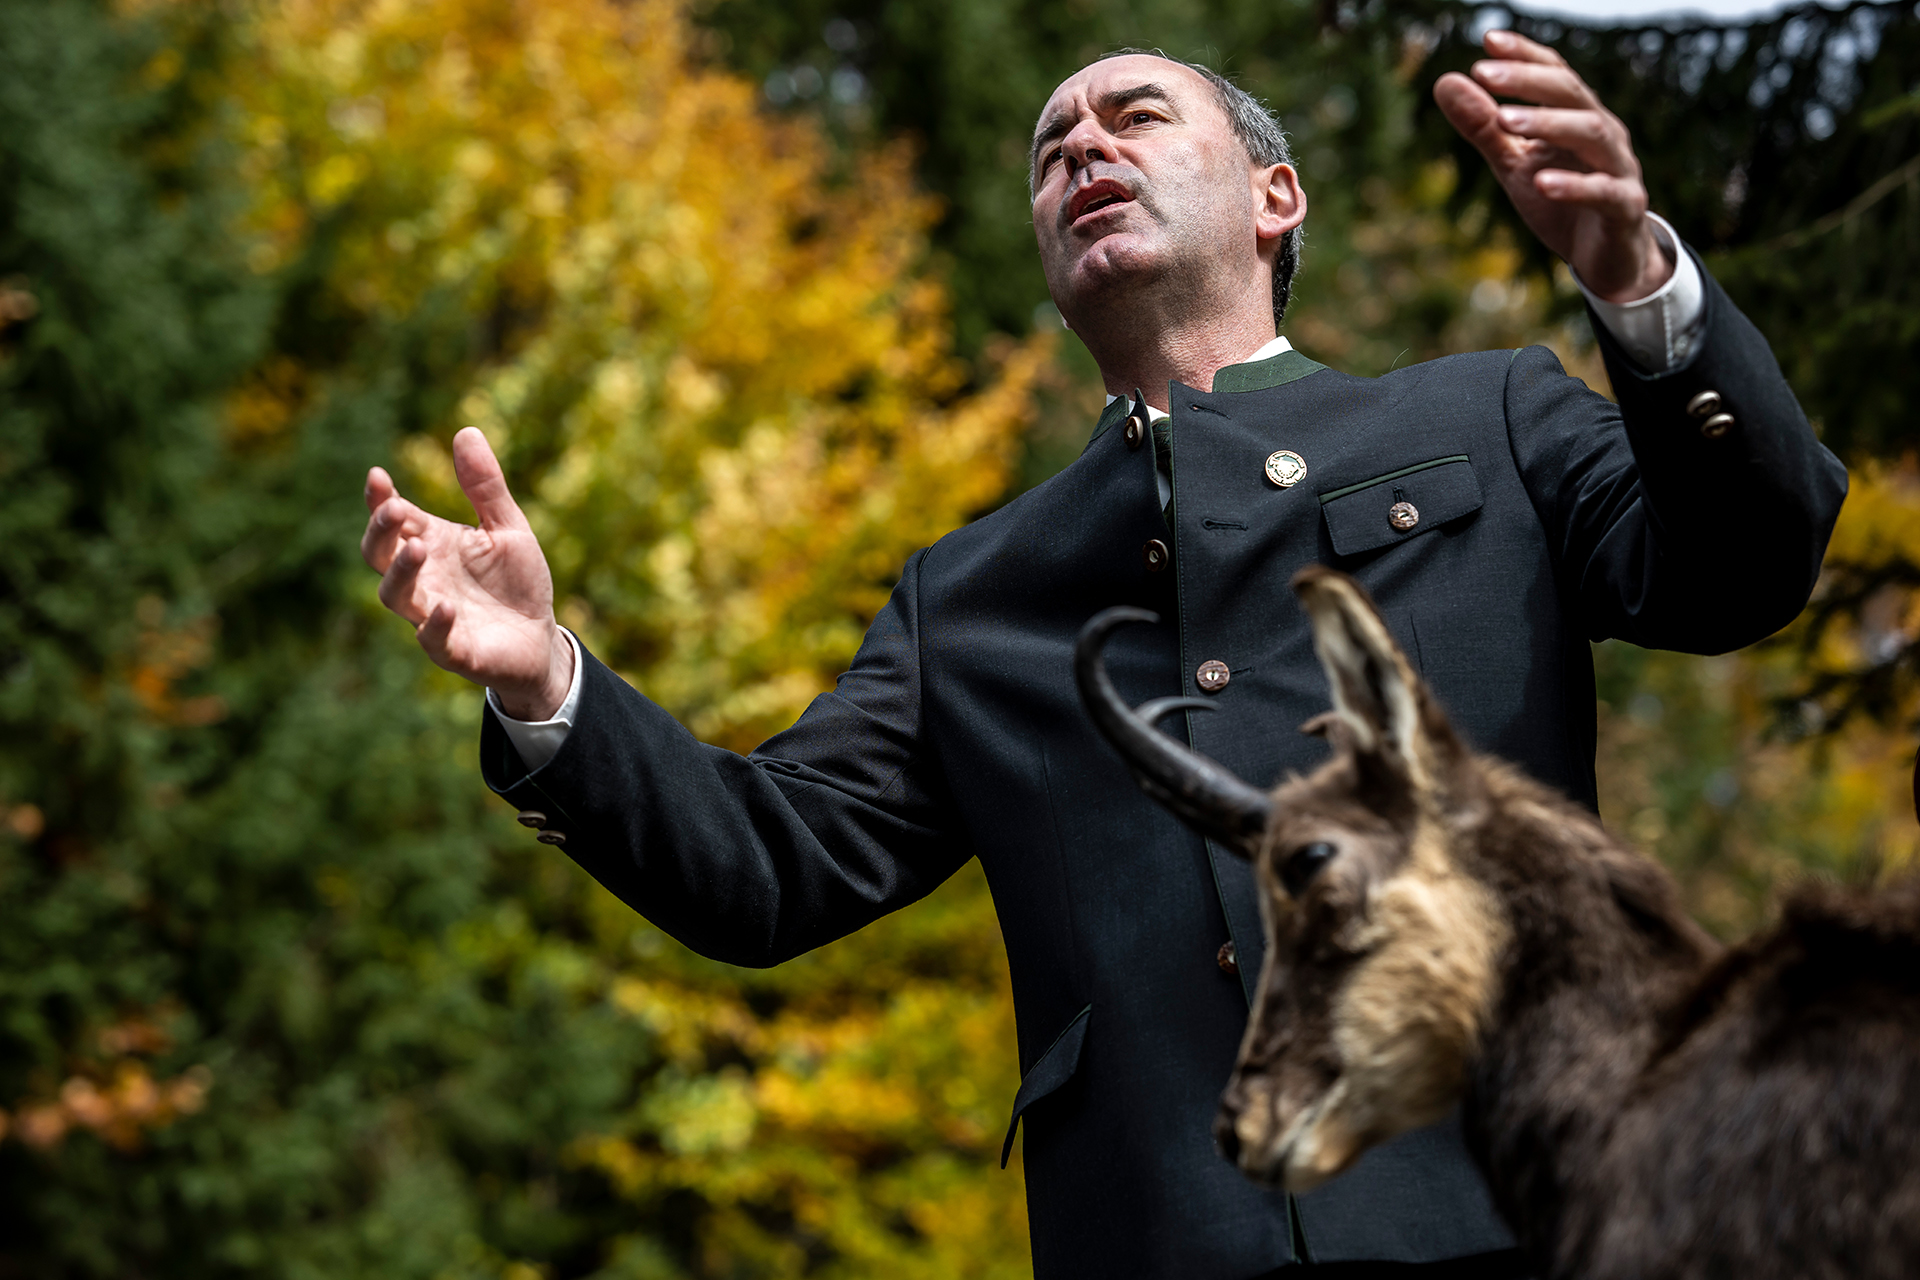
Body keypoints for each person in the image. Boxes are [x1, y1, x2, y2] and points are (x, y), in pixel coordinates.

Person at [360, 31, 1845, 1280]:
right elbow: (769, 867)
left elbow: (1743, 564)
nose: (1082, 146)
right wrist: (545, 674)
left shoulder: (1490, 416)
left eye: (1136, 116)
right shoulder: (972, 590)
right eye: (1052, 143)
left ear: (1275, 197)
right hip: (1156, 1232)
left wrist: (1641, 282)